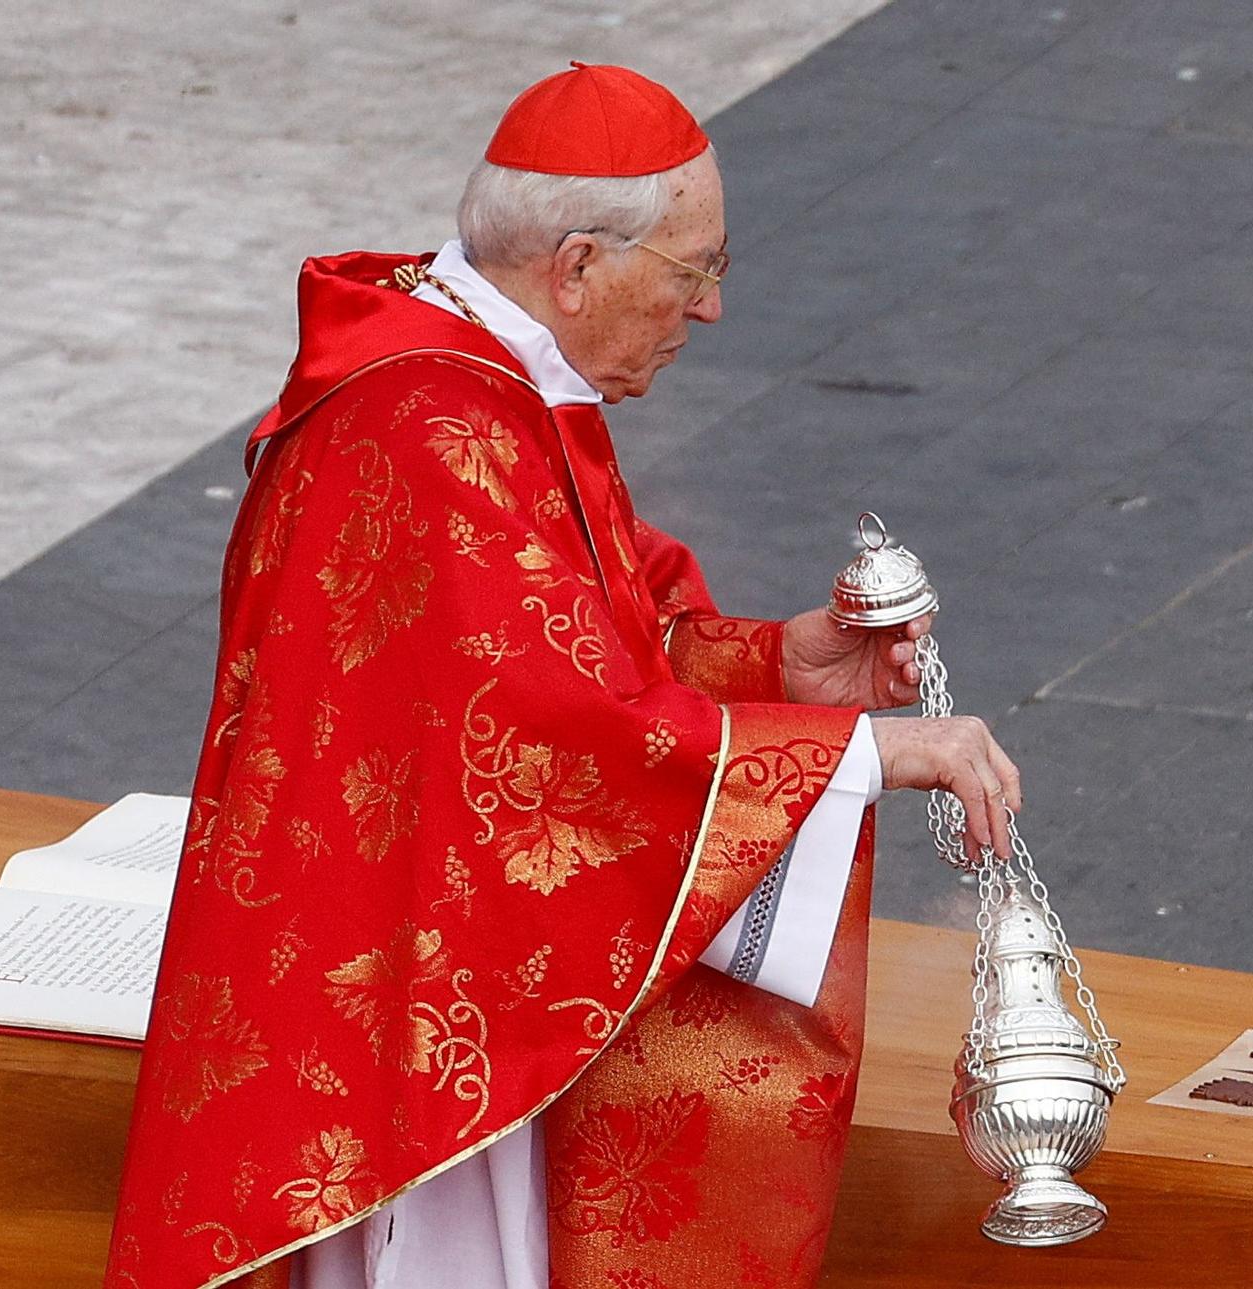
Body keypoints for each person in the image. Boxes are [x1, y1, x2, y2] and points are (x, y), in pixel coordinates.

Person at [104, 63, 1021, 1289]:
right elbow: (556, 740)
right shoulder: (431, 429)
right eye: (693, 273)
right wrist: (867, 754)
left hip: (431, 953)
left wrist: (774, 665)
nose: (706, 313)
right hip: (414, 1031)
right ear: (578, 265)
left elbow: (570, 647)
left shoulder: (475, 376)